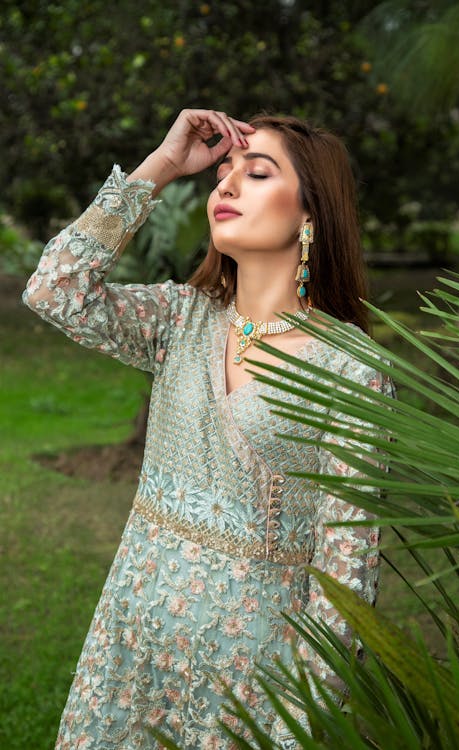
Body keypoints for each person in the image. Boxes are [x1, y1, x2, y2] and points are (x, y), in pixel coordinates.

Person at [23, 109, 393, 749]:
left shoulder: (353, 367)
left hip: (251, 681)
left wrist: (295, 719)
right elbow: (56, 289)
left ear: (311, 214)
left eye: (256, 172)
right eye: (223, 172)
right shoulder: (180, 319)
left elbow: (347, 576)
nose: (224, 185)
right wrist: (164, 164)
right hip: (129, 652)